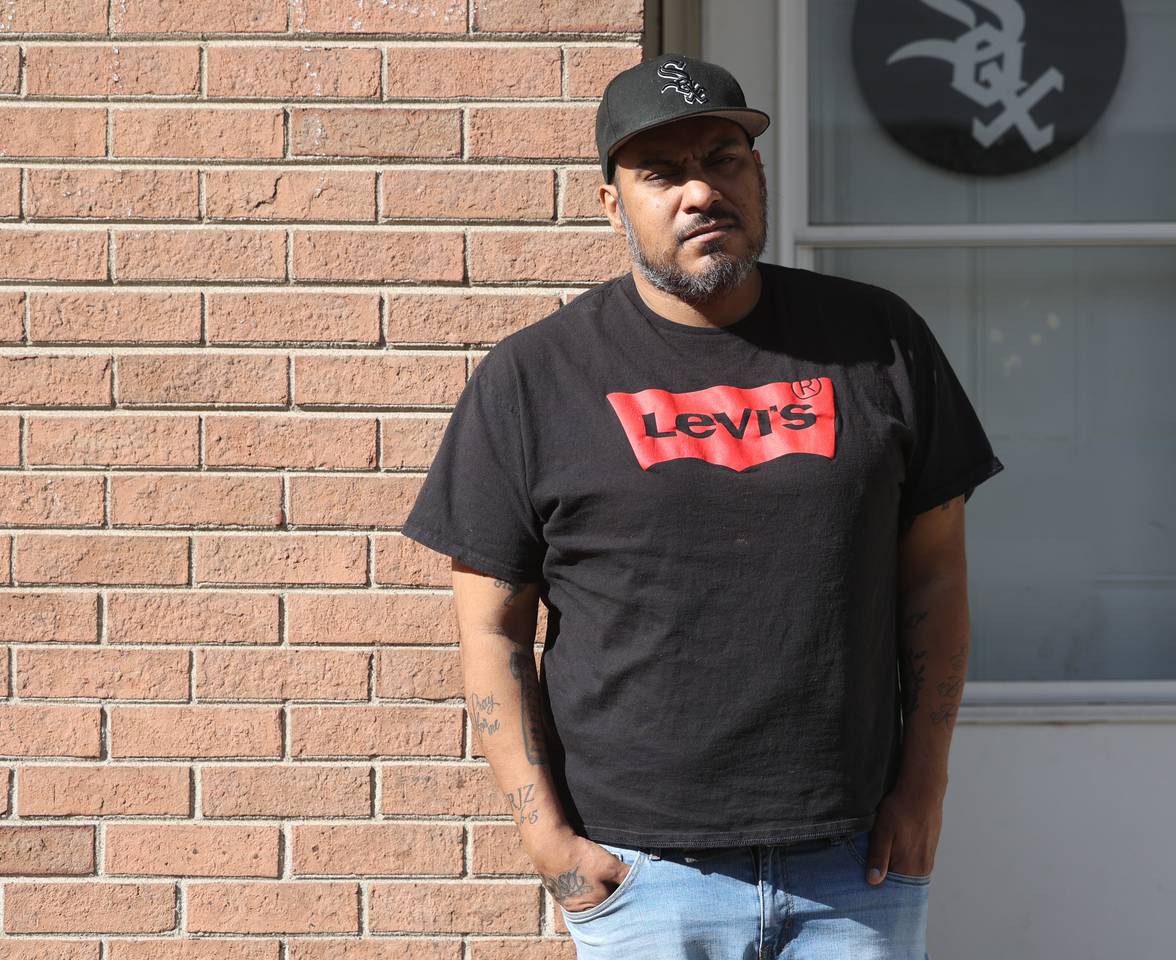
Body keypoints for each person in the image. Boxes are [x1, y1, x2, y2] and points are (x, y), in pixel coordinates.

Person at [401, 54, 1004, 960]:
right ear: (613, 205)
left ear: (757, 178)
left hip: (854, 863)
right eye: (661, 173)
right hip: (645, 871)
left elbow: (935, 575)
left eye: (723, 159)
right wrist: (547, 840)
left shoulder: (878, 340)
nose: (699, 192)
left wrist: (925, 788)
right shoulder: (533, 379)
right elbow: (490, 630)